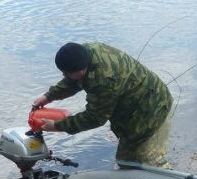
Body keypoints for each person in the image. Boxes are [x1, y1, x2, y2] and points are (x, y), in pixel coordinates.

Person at [31, 42, 174, 167]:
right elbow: (73, 80)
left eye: (66, 73)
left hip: (152, 111)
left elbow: (95, 118)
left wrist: (57, 126)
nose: (64, 76)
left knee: (151, 162)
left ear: (80, 70)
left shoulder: (104, 80)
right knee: (126, 162)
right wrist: (48, 96)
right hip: (131, 115)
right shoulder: (85, 52)